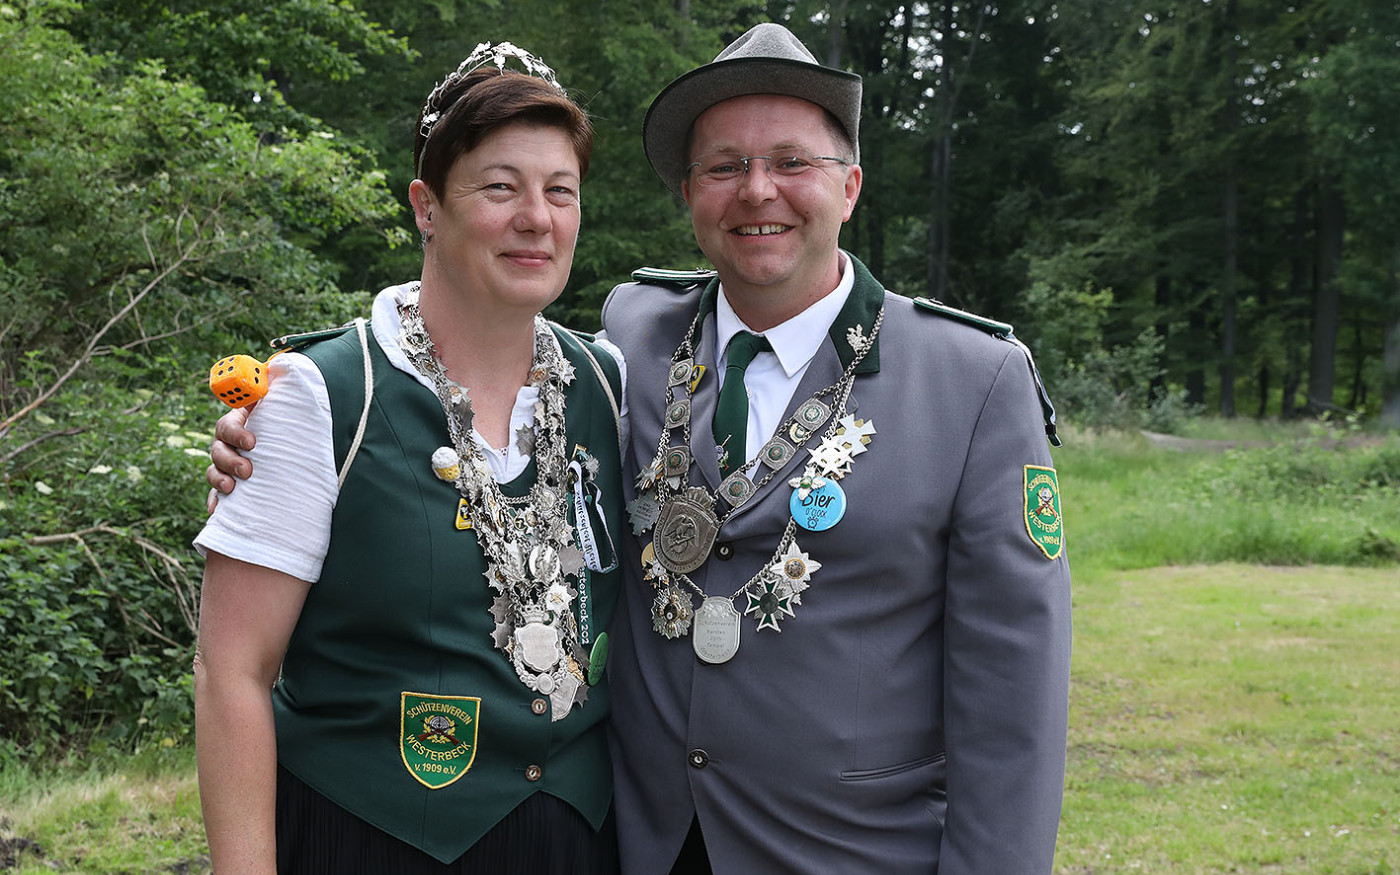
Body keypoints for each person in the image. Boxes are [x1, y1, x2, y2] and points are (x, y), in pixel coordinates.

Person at [210, 22, 1072, 875]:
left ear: (849, 186)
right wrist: (271, 436)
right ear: (690, 194)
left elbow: (1014, 708)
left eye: (792, 163)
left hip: (848, 853)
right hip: (640, 841)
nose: (757, 190)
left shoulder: (976, 382)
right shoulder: (633, 342)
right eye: (725, 166)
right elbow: (463, 367)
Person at [193, 43, 625, 874]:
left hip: (577, 841)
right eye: (500, 186)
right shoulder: (320, 396)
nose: (537, 216)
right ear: (427, 207)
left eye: (560, 191)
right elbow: (231, 672)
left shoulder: (610, 385)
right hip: (366, 837)